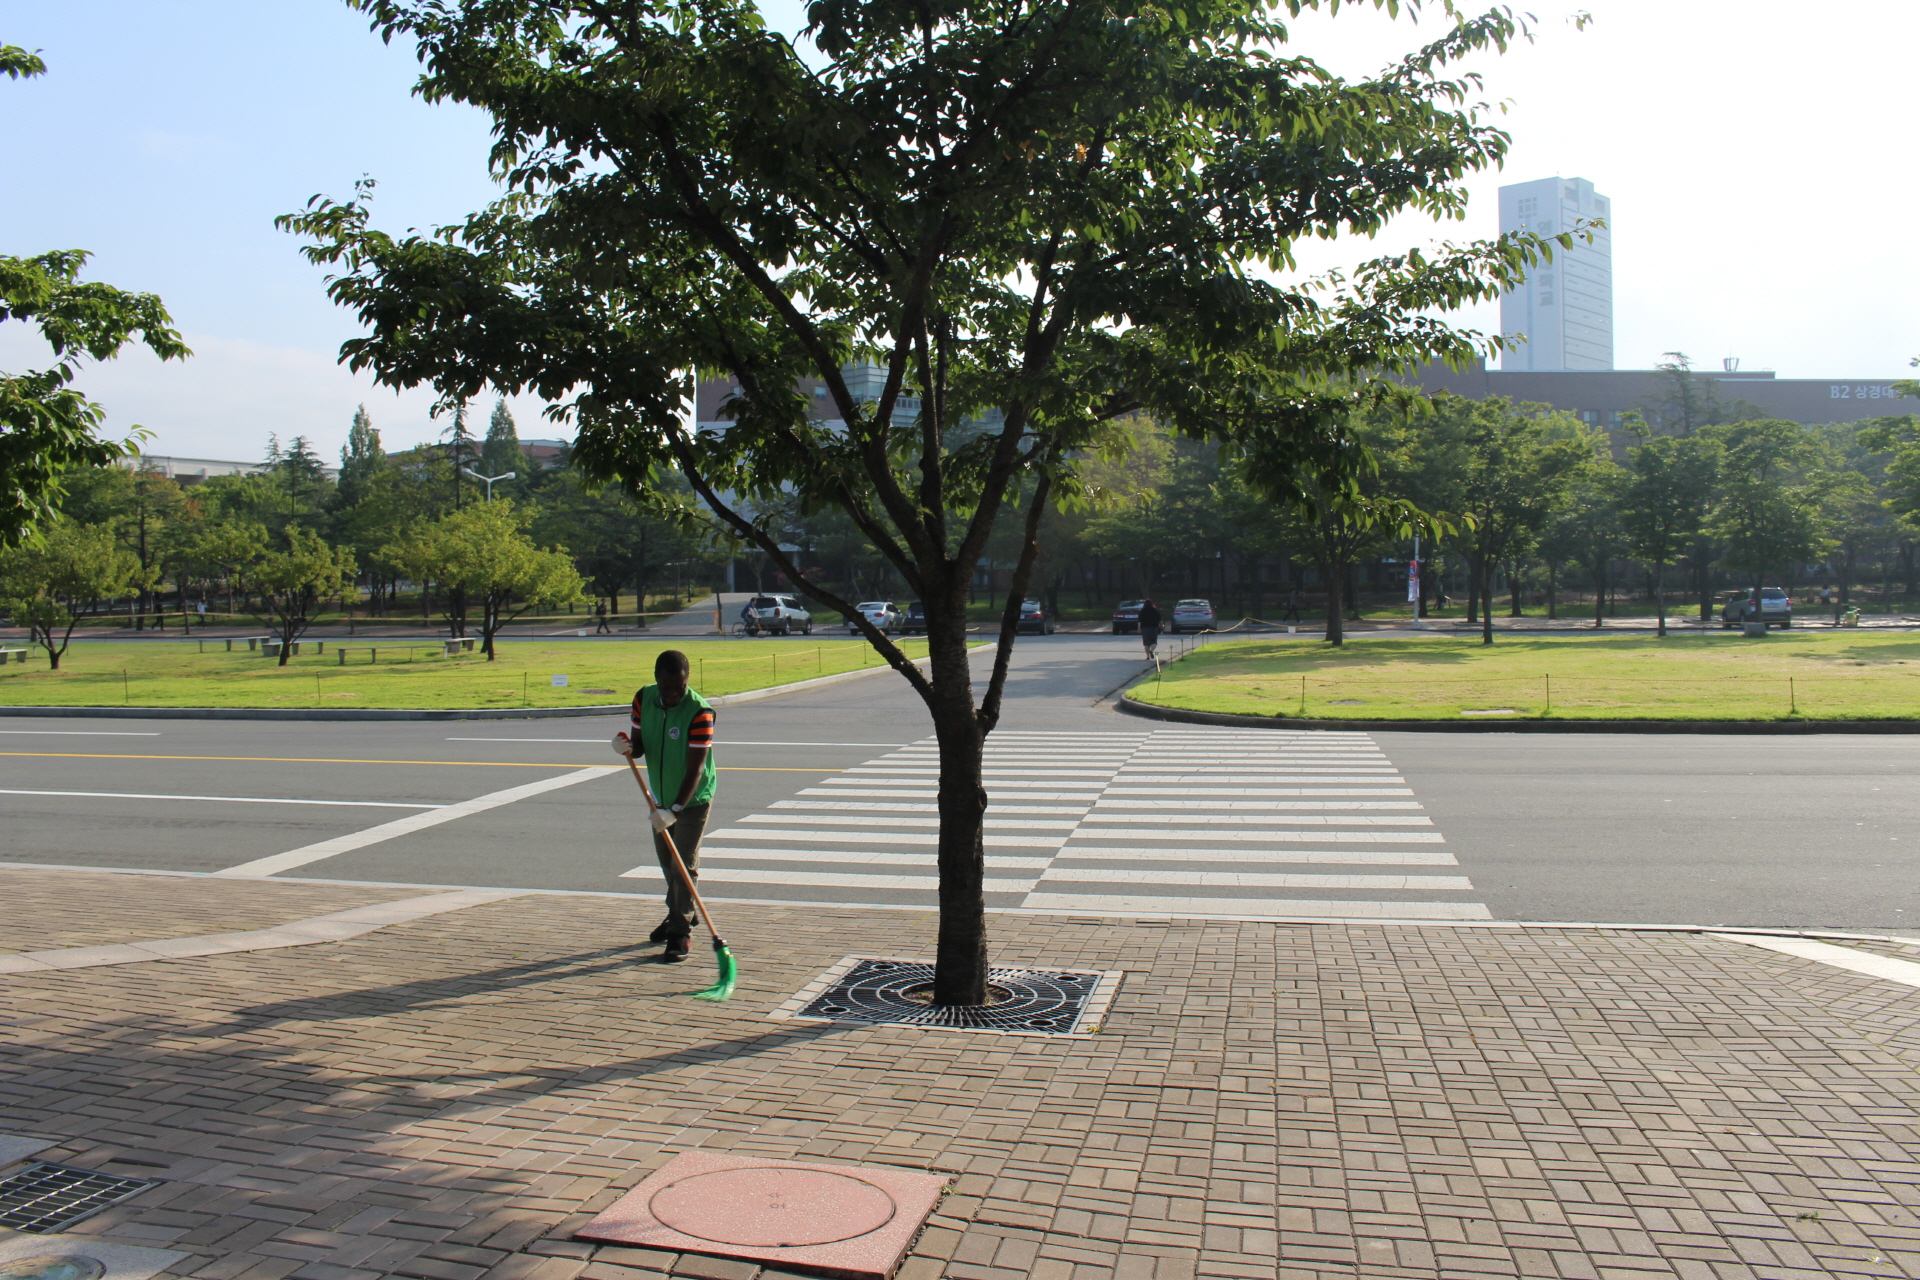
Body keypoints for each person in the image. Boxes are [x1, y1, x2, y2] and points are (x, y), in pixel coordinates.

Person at [612, 650, 717, 962]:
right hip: (657, 798)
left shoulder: (699, 712)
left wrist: (674, 809)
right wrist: (626, 747)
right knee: (667, 862)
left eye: (680, 687)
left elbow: (695, 769)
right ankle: (681, 911)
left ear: (687, 681)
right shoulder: (643, 699)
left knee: (683, 865)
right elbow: (640, 746)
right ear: (657, 680)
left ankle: (679, 932)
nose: (673, 694)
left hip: (692, 799)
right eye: (667, 687)